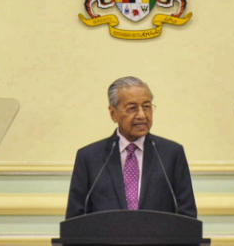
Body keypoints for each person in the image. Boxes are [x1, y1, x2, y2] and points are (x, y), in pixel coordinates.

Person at [65, 76, 197, 218]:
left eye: (146, 107)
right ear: (113, 114)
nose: (141, 115)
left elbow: (187, 215)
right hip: (105, 239)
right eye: (132, 108)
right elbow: (75, 219)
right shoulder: (89, 157)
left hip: (158, 239)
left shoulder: (171, 154)